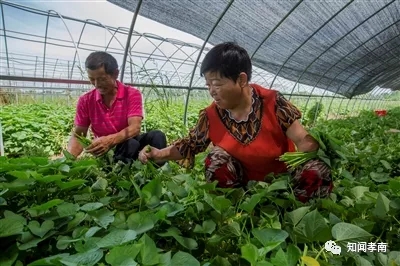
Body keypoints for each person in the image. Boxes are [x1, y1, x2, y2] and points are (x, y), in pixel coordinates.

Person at [138, 42, 333, 202]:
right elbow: (190, 145)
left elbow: (302, 140)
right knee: (215, 159)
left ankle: (299, 215)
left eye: (217, 84)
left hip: (282, 180)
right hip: (242, 185)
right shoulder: (210, 115)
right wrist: (158, 154)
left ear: (241, 80)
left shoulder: (273, 103)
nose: (212, 91)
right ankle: (232, 211)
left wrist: (317, 147)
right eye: (208, 85)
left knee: (317, 169)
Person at [67, 51, 167, 165]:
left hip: (129, 142)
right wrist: (68, 161)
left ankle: (157, 174)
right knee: (130, 145)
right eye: (92, 79)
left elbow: (135, 127)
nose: (97, 84)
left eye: (102, 79)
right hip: (108, 151)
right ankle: (119, 176)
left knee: (157, 136)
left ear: (115, 74)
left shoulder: (131, 94)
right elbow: (79, 135)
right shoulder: (86, 100)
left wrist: (110, 140)